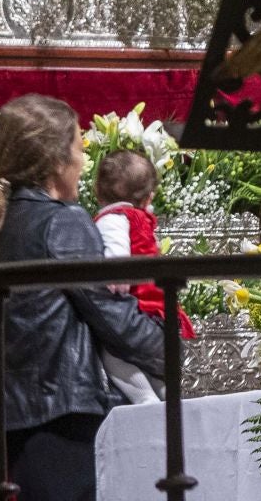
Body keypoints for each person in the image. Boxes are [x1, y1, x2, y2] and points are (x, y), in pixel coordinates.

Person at [0, 96, 165, 501]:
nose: (83, 162)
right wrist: (170, 347)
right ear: (57, 160)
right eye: (79, 148)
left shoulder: (8, 219)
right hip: (68, 417)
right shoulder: (63, 220)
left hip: (24, 419)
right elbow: (113, 317)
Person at [92, 149, 197, 405]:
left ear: (96, 191)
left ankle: (144, 400)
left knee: (112, 354)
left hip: (141, 313)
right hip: (162, 316)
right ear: (150, 196)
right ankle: (164, 400)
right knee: (156, 376)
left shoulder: (113, 219)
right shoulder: (142, 219)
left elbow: (117, 256)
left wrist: (116, 284)